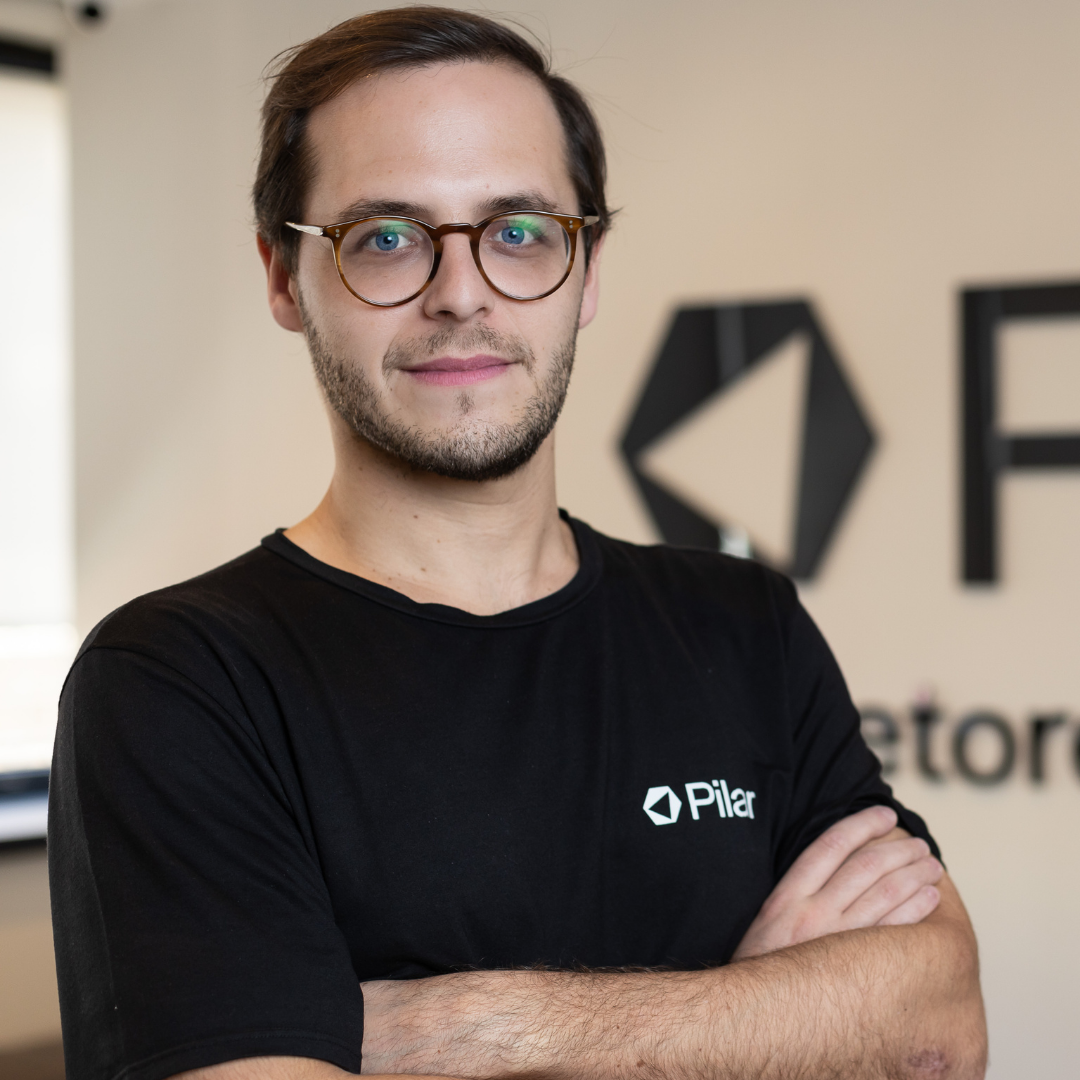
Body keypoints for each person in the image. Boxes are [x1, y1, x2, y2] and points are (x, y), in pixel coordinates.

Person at [49, 8, 987, 1080]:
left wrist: (472, 1031)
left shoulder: (743, 627)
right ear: (282, 276)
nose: (461, 294)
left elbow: (937, 1032)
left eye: (520, 232)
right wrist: (763, 1020)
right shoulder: (180, 682)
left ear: (587, 271)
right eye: (385, 238)